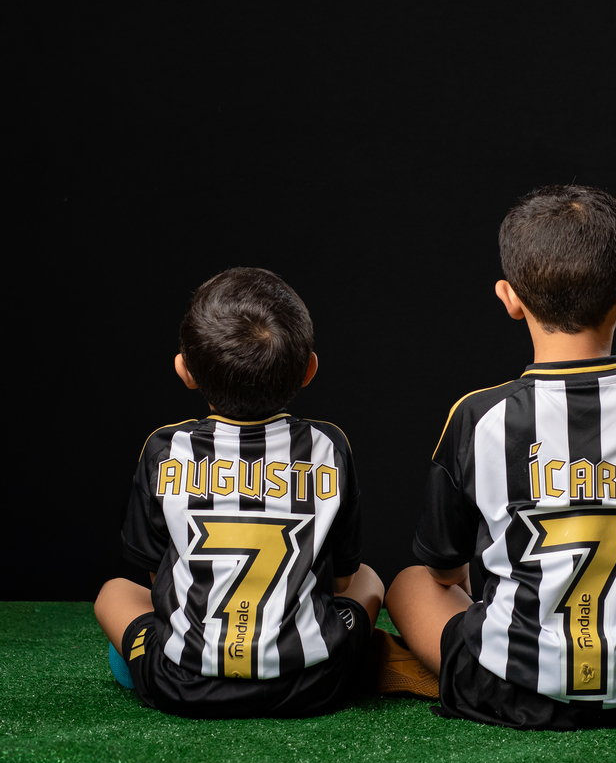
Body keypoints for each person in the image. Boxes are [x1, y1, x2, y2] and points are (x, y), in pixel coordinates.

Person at [384, 184, 616, 729]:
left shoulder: (477, 416)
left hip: (503, 693)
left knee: (410, 582)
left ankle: (492, 656)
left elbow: (442, 565)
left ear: (509, 298)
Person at [94, 267, 393, 718]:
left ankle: (149, 659)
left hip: (184, 685)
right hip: (315, 684)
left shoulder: (164, 449)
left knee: (114, 592)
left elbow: (156, 580)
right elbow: (344, 581)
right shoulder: (329, 446)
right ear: (309, 369)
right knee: (370, 577)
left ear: (185, 370)